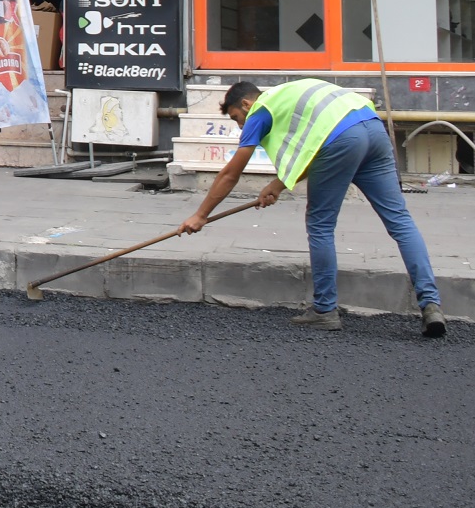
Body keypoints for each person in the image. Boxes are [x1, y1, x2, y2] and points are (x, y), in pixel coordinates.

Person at [183, 80, 445, 337]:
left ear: (246, 103)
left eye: (236, 117)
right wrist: (278, 184)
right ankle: (431, 305)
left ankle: (324, 310)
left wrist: (200, 215)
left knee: (320, 224)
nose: (240, 125)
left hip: (343, 138)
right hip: (372, 129)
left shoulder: (261, 111)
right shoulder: (289, 96)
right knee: (400, 221)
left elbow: (231, 173)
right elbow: (314, 145)